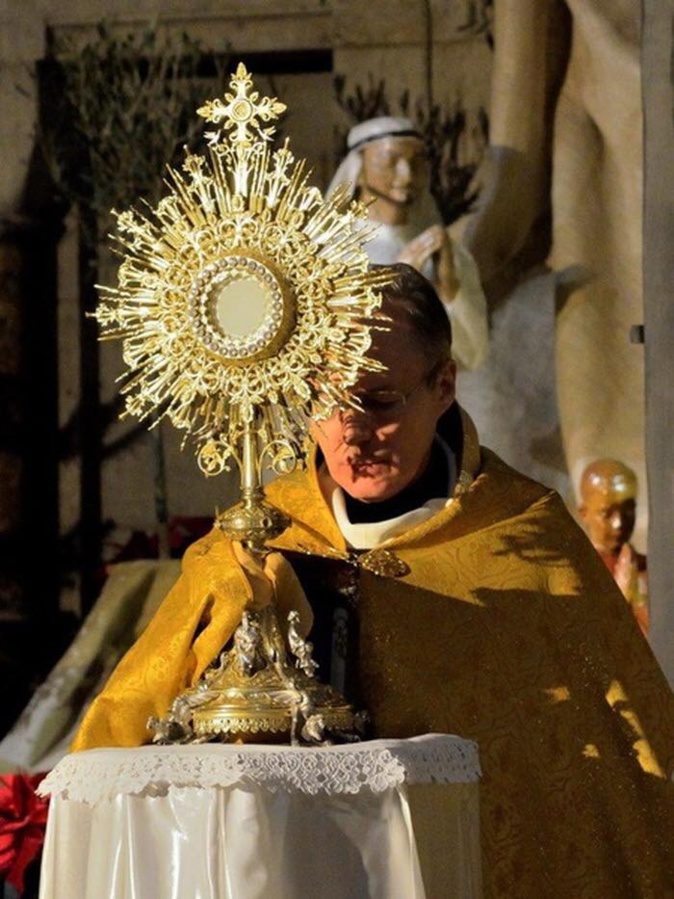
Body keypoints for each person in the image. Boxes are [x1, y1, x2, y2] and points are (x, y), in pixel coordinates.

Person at [71, 264, 674, 896]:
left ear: (444, 385)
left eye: (381, 401)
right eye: (327, 401)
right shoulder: (253, 541)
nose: (353, 432)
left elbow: (619, 776)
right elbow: (129, 731)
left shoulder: (527, 538)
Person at [327, 116, 489, 371]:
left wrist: (450, 290)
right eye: (391, 162)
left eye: (416, 162)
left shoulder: (445, 252)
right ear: (359, 172)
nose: (407, 175)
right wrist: (394, 289)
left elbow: (473, 354)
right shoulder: (331, 250)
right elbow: (328, 349)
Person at [578, 458, 649, 636]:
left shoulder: (650, 568)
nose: (619, 523)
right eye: (607, 513)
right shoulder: (578, 574)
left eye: (627, 510)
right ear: (584, 513)